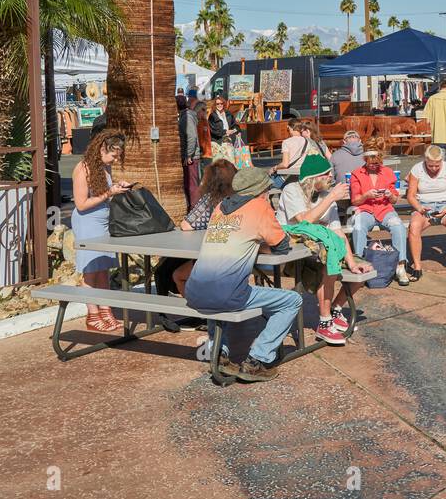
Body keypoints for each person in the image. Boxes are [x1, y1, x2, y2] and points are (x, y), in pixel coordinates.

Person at [183, 166, 305, 381]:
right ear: (260, 191)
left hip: (193, 291)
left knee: (217, 293)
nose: (268, 194)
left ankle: (219, 354)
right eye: (267, 190)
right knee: (292, 300)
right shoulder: (259, 207)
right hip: (226, 294)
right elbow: (282, 246)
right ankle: (258, 359)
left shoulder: (220, 207)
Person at [277, 154, 372, 345]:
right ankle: (324, 322)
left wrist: (352, 263)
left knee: (364, 268)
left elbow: (337, 232)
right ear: (314, 177)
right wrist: (331, 198)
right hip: (290, 252)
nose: (331, 177)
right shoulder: (291, 190)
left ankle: (336, 308)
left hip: (322, 248)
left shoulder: (327, 196)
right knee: (327, 262)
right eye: (327, 174)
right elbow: (304, 221)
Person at [153, 159, 237, 325]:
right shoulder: (240, 198)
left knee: (170, 272)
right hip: (235, 257)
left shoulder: (211, 199)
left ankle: (200, 313)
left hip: (212, 258)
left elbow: (186, 225)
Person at [71, 131, 132, 333]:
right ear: (102, 149)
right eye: (113, 155)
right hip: (88, 223)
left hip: (102, 222)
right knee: (90, 271)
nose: (115, 160)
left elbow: (102, 193)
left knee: (103, 268)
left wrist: (116, 187)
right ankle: (93, 314)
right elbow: (81, 204)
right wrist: (109, 192)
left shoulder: (103, 168)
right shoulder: (83, 169)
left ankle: (105, 310)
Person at [349, 143, 411, 285]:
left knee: (398, 226)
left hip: (385, 209)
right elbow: (355, 200)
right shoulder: (356, 174)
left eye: (376, 163)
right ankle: (360, 264)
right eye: (370, 163)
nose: (373, 166)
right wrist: (366, 195)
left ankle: (400, 266)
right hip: (365, 209)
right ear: (365, 160)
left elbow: (395, 200)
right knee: (358, 226)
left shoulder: (388, 172)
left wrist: (390, 195)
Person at [407, 144, 446, 280]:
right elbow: (411, 195)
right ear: (425, 161)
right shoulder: (417, 169)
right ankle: (417, 267)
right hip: (424, 206)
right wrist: (419, 208)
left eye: (437, 165)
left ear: (442, 161)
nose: (434, 168)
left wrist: (445, 209)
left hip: (444, 205)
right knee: (414, 226)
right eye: (431, 166)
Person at [178, 93, 201, 208]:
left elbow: (192, 137)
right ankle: (192, 208)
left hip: (191, 157)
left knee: (192, 185)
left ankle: (195, 210)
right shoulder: (185, 116)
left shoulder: (186, 117)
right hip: (189, 155)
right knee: (189, 184)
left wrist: (188, 155)